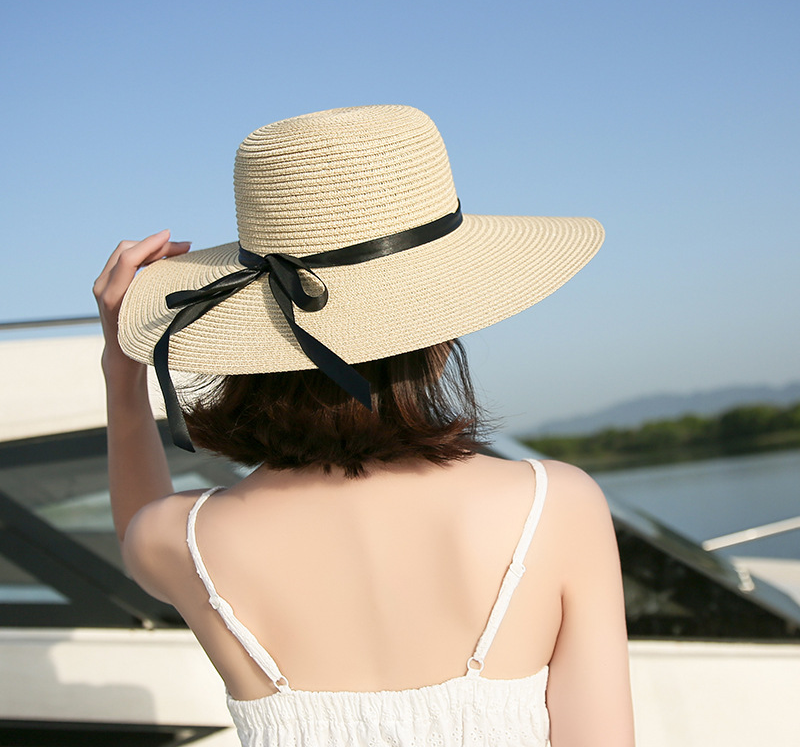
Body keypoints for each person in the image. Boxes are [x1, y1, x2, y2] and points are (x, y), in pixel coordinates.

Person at [94, 105, 634, 746]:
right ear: (437, 334)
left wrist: (122, 370)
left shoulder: (179, 540)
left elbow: (135, 531)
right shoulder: (556, 504)